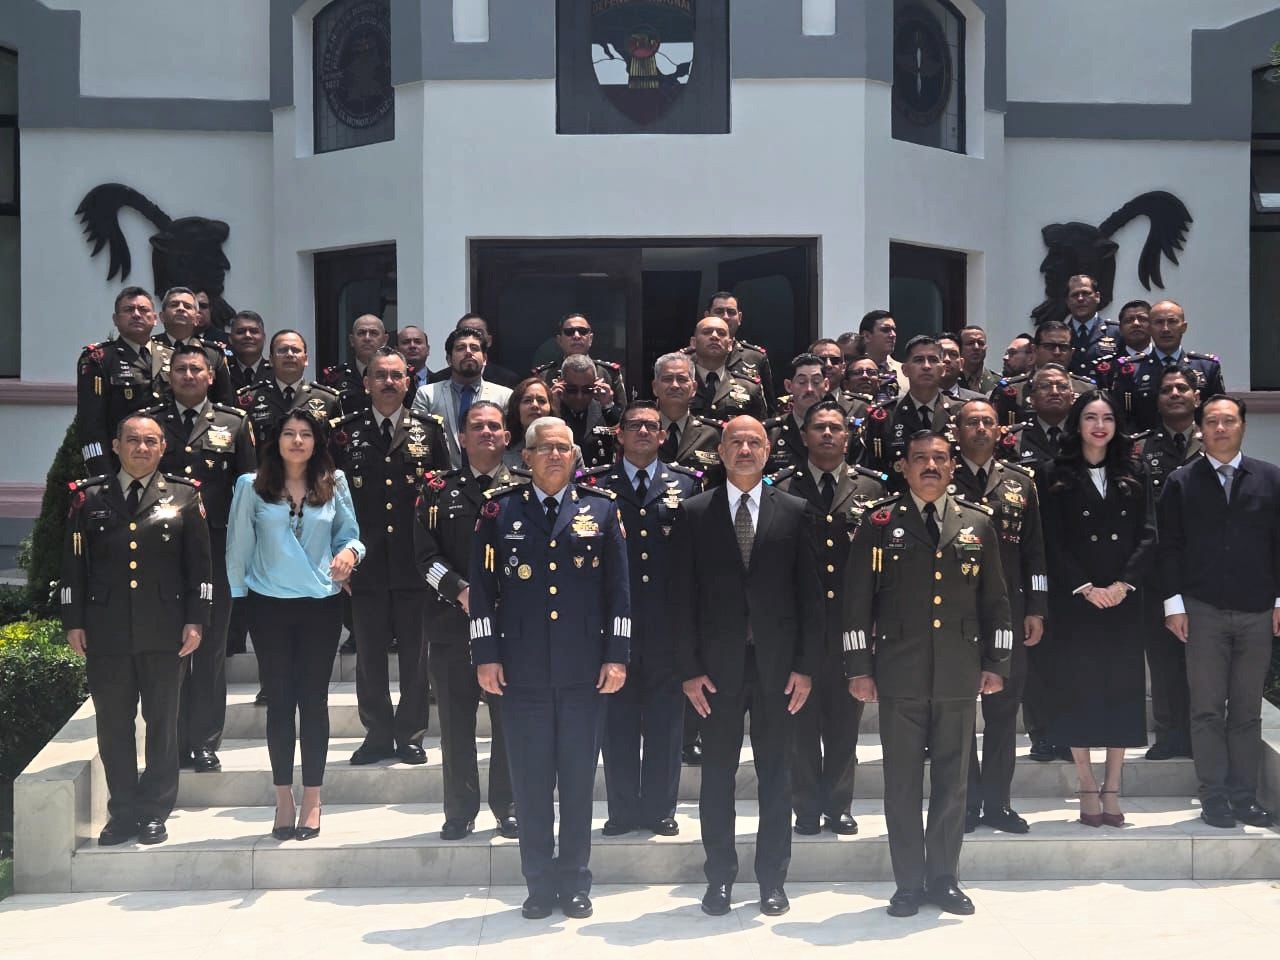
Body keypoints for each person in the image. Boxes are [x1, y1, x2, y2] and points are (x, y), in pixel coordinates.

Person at [844, 431, 1012, 918]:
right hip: (899, 672)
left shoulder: (977, 523)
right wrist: (859, 667)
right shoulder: (879, 522)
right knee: (901, 783)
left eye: (940, 458)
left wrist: (996, 663)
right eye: (920, 458)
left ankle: (944, 878)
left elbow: (996, 601)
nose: (931, 466)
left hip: (958, 672)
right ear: (903, 466)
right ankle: (908, 884)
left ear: (953, 466)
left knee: (952, 783)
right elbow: (856, 602)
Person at [468, 416, 630, 920]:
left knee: (578, 783)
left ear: (575, 456)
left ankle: (576, 881)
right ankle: (538, 884)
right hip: (522, 673)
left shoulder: (601, 509)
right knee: (531, 784)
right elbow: (482, 590)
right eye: (545, 448)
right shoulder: (500, 510)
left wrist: (617, 655)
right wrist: (485, 654)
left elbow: (619, 590)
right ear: (526, 457)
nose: (555, 455)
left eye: (564, 448)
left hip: (585, 671)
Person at [668, 416, 822, 918]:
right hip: (716, 672)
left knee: (777, 776)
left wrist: (805, 666)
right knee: (717, 778)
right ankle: (720, 879)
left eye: (755, 442)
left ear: (768, 450)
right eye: (735, 442)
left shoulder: (794, 510)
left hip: (779, 670)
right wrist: (689, 669)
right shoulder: (694, 511)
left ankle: (772, 880)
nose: (745, 449)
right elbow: (680, 597)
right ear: (720, 452)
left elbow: (811, 596)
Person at [61, 413, 212, 846]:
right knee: (113, 725)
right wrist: (73, 620)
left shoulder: (184, 495)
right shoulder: (89, 497)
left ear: (163, 447)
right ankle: (123, 811)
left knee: (163, 723)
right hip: (106, 630)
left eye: (150, 441)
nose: (141, 448)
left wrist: (196, 619)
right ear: (116, 445)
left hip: (165, 630)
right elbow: (73, 565)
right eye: (132, 440)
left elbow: (200, 566)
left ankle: (154, 811)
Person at [226, 408, 365, 841]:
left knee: (314, 701)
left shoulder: (333, 482)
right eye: (289, 433)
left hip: (320, 605)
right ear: (277, 440)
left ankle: (313, 800)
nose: (298, 441)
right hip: (269, 606)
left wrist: (350, 553)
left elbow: (351, 533)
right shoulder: (251, 485)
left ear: (317, 441)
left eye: (306, 434)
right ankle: (283, 797)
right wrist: (237, 600)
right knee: (280, 703)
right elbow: (238, 545)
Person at [580, 402, 701, 838]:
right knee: (618, 722)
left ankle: (660, 809)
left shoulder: (686, 484)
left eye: (652, 425)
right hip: (615, 625)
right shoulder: (595, 485)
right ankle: (622, 810)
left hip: (667, 625)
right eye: (634, 425)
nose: (644, 432)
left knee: (667, 723)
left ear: (664, 435)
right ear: (619, 434)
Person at [1159, 395, 1279, 829]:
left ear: (1243, 426)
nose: (1221, 428)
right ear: (1201, 429)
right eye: (1212, 422)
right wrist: (1173, 605)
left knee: (1246, 711)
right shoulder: (1181, 481)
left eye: (1229, 421)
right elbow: (1168, 547)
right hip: (1202, 610)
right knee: (1207, 709)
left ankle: (1244, 797)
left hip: (1257, 610)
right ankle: (1214, 797)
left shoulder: (1270, 479)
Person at [768, 401, 887, 837]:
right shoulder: (781, 486)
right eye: (819, 427)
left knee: (844, 721)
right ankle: (804, 806)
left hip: (850, 623)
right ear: (804, 436)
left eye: (836, 428)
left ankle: (838, 805)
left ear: (848, 437)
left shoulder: (872, 487)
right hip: (798, 625)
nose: (828, 435)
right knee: (799, 720)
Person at [1039, 391, 1155, 829]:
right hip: (1077, 600)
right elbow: (1050, 538)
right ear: (1077, 424)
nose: (1099, 426)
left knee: (1121, 690)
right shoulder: (1053, 472)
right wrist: (1085, 587)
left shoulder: (1135, 471)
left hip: (1123, 598)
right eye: (1090, 417)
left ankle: (1113, 786)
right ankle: (1087, 785)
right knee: (1079, 688)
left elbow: (1149, 533)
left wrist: (1123, 584)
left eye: (1107, 418)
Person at [330, 348, 450, 766]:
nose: (388, 382)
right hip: (364, 563)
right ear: (366, 383)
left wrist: (440, 557)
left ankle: (411, 734)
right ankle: (377, 734)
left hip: (414, 562)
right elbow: (331, 500)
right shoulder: (345, 432)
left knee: (416, 655)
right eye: (380, 375)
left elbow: (442, 497)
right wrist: (338, 557)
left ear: (408, 382)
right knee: (369, 655)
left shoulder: (429, 431)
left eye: (396, 376)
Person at [143, 343, 256, 774]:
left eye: (196, 369)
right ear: (169, 376)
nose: (188, 375)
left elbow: (247, 490)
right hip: (162, 552)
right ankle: (169, 742)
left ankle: (206, 741)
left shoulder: (234, 422)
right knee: (167, 649)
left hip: (215, 550)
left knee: (209, 649)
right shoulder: (151, 422)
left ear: (211, 376)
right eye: (180, 369)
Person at [413, 400, 520, 840]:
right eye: (477, 426)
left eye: (494, 426)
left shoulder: (524, 488)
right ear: (461, 437)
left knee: (508, 724)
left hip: (512, 629)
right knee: (456, 726)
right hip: (451, 624)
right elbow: (424, 557)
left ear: (507, 437)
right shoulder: (437, 490)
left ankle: (508, 806)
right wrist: (461, 590)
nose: (486, 432)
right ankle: (459, 811)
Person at [951, 399, 1047, 834]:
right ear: (957, 431)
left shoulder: (1020, 483)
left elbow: (1035, 551)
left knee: (1004, 713)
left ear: (1000, 431)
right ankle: (967, 803)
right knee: (958, 715)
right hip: (954, 613)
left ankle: (998, 803)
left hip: (1008, 613)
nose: (980, 429)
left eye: (987, 422)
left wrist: (1038, 608)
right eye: (971, 422)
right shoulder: (941, 476)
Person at [1136, 364, 1203, 760]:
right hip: (1156, 571)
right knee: (1162, 656)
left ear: (1197, 396)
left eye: (1182, 388)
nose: (1175, 394)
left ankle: (1201, 734)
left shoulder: (1213, 442)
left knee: (1204, 659)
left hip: (1205, 569)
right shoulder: (1140, 448)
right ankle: (1169, 734)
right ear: (1157, 400)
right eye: (1166, 390)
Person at [77, 287, 162, 476]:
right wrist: (103, 474)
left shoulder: (172, 358)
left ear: (155, 318)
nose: (136, 314)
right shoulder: (100, 359)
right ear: (115, 320)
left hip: (167, 466)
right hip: (121, 467)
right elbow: (91, 425)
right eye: (128, 310)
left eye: (143, 310)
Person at [1110, 299, 1224, 432]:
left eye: (1172, 321)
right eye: (1159, 322)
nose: (1165, 329)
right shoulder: (1131, 369)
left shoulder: (1206, 367)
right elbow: (1122, 418)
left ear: (1184, 327)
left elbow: (1218, 412)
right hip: (1146, 443)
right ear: (1149, 328)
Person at [859, 334, 959, 485]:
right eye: (919, 360)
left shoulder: (960, 412)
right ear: (905, 370)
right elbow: (875, 471)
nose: (926, 366)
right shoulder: (884, 416)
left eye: (933, 360)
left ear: (943, 369)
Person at [412, 327, 513, 469]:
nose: (468, 352)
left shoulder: (505, 396)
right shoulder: (427, 395)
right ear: (449, 360)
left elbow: (510, 446)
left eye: (474, 348)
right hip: (441, 477)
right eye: (460, 348)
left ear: (485, 359)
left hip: (491, 477)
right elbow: (418, 441)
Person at [237, 330, 343, 446]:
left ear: (306, 360)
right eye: (282, 350)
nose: (289, 355)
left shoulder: (327, 400)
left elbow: (336, 448)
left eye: (295, 350)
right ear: (271, 360)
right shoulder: (249, 400)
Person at [991, 321, 1094, 427]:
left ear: (1071, 352)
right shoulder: (1012, 390)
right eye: (1049, 346)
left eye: (1063, 347)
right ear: (1034, 349)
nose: (1057, 352)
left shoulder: (1086, 389)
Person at [151, 287, 234, 405]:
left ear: (197, 319)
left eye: (187, 306)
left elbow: (224, 400)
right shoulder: (149, 349)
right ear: (162, 316)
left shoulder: (212, 353)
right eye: (174, 305)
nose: (181, 308)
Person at [532, 313, 627, 407]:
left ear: (590, 339)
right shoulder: (544, 375)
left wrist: (608, 405)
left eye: (582, 331)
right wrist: (552, 404)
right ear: (559, 340)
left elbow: (623, 412)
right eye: (569, 332)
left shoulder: (608, 373)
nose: (576, 336)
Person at [705, 291, 776, 413]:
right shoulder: (688, 358)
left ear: (740, 318)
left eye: (731, 312)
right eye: (719, 311)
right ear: (707, 316)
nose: (726, 317)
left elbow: (769, 410)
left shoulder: (756, 357)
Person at [652, 352, 722, 474]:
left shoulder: (713, 434)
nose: (674, 385)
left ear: (694, 388)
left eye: (682, 379)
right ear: (655, 387)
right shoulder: (641, 432)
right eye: (667, 379)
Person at [689, 315, 768, 422]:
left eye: (721, 333)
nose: (714, 336)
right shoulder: (679, 383)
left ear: (730, 345)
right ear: (693, 343)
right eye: (707, 332)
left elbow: (759, 428)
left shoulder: (750, 388)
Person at [550, 353, 621, 467]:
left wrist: (608, 406)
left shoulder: (604, 409)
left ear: (596, 383)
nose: (579, 396)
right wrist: (553, 408)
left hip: (598, 476)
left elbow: (624, 440)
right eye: (572, 389)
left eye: (587, 390)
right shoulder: (552, 411)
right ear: (560, 383)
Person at [764, 353, 831, 473]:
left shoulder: (843, 429)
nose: (809, 389)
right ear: (788, 386)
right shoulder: (769, 432)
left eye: (816, 382)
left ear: (826, 385)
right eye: (802, 382)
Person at [427, 314, 521, 388]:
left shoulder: (508, 380)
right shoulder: (437, 380)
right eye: (466, 332)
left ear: (489, 341)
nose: (472, 336)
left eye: (479, 332)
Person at [323, 314, 388, 414]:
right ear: (352, 340)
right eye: (361, 333)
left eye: (374, 333)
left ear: (384, 340)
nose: (367, 338)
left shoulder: (398, 376)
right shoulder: (335, 377)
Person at [1062, 274, 1120, 378]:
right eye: (1075, 295)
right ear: (1067, 301)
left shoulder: (1116, 332)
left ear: (1097, 297)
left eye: (1086, 293)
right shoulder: (1060, 335)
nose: (1080, 299)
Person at [502, 377, 554, 469]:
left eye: (541, 401)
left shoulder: (569, 449)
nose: (535, 405)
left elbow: (578, 473)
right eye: (527, 400)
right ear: (516, 408)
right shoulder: (501, 451)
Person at [859, 310, 902, 399]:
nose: (893, 335)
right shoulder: (851, 372)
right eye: (885, 330)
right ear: (866, 336)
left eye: (894, 330)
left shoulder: (905, 372)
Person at [227, 310, 272, 392]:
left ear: (264, 338)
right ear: (230, 339)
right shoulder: (223, 372)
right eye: (240, 332)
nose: (248, 335)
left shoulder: (275, 372)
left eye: (254, 331)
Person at [936, 334, 986, 401]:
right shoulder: (921, 399)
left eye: (953, 354)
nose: (946, 359)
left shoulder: (979, 401)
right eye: (940, 354)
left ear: (961, 364)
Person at [958, 325, 1000, 394]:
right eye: (970, 343)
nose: (976, 347)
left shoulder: (998, 383)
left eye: (981, 343)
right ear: (959, 348)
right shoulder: (951, 381)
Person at [397, 325, 432, 390]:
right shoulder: (391, 382)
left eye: (418, 342)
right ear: (397, 350)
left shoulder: (440, 381)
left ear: (428, 349)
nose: (412, 346)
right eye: (406, 342)